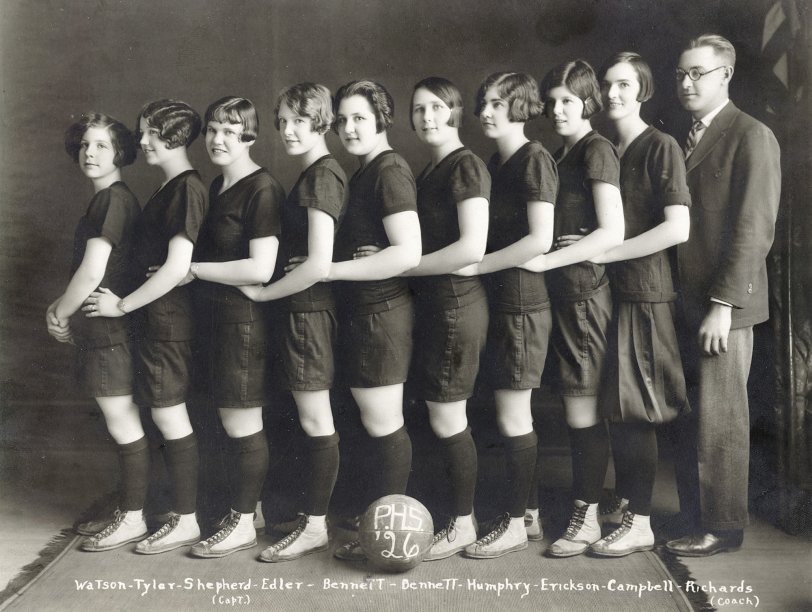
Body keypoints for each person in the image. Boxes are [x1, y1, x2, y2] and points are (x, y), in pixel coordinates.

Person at [558, 52, 691, 557]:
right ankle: (610, 509)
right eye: (607, 86)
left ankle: (640, 520)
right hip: (604, 294)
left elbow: (677, 227)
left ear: (644, 90)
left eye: (624, 85)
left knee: (636, 409)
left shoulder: (661, 146)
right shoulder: (603, 149)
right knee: (604, 405)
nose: (613, 94)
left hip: (643, 293)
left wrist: (605, 248)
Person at [665, 34, 780, 557]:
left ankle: (723, 527)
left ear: (726, 75)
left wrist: (724, 305)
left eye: (699, 73)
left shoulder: (751, 135)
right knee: (691, 416)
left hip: (722, 307)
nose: (687, 83)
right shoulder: (681, 137)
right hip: (681, 299)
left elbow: (754, 229)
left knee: (719, 419)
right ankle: (695, 517)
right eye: (682, 74)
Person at [83, 100, 208, 554]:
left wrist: (122, 306)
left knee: (170, 417)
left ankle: (187, 520)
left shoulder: (187, 188)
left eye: (148, 133)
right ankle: (149, 513)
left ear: (172, 137)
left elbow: (177, 267)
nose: (141, 142)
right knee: (160, 416)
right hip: (155, 322)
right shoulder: (168, 187)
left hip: (168, 322)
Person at [238, 83, 348, 562]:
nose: (287, 130)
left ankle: (317, 527)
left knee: (316, 419)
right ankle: (302, 516)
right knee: (304, 419)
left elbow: (318, 263)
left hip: (308, 314)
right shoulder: (311, 174)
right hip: (298, 313)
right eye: (281, 121)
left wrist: (263, 292)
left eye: (298, 121)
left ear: (321, 121)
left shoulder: (322, 176)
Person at [452, 72, 556, 559]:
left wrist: (476, 265)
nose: (486, 112)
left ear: (521, 106)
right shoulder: (497, 161)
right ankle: (528, 514)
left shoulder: (535, 159)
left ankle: (515, 523)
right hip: (500, 299)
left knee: (515, 415)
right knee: (506, 414)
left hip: (522, 304)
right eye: (484, 103)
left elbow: (540, 239)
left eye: (497, 103)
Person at [526, 60, 625, 558]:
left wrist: (549, 259)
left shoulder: (597, 150)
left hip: (585, 296)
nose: (558, 109)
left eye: (569, 100)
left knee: (582, 408)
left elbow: (612, 232)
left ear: (589, 102)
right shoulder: (559, 157)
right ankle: (589, 502)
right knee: (570, 406)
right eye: (553, 100)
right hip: (560, 295)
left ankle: (586, 517)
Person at [178, 96, 283, 559]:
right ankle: (248, 511)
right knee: (224, 420)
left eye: (229, 130)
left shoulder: (262, 189)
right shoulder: (217, 186)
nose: (218, 140)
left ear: (250, 136)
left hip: (243, 324)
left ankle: (242, 524)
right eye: (212, 130)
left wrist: (195, 269)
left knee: (242, 423)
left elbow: (262, 268)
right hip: (212, 320)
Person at [327, 80, 422, 562]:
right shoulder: (364, 170)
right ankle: (372, 528)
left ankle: (389, 539)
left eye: (359, 117)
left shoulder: (389, 170)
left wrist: (330, 270)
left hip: (381, 313)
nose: (348, 128)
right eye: (342, 119)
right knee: (371, 423)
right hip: (363, 311)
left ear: (382, 118)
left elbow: (409, 252)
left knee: (385, 424)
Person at [400, 77, 490, 560]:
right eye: (419, 110)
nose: (427, 118)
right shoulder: (428, 170)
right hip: (433, 307)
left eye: (437, 108)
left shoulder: (466, 166)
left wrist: (402, 262)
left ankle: (463, 523)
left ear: (455, 112)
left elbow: (471, 248)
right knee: (436, 415)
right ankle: (449, 516)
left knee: (448, 416)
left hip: (458, 306)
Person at [47, 112, 143, 551]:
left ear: (120, 152)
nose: (90, 153)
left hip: (109, 332)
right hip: (105, 330)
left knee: (124, 424)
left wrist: (60, 314)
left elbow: (91, 273)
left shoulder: (112, 200)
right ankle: (129, 508)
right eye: (85, 145)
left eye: (102, 145)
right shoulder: (108, 198)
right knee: (119, 422)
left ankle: (135, 518)